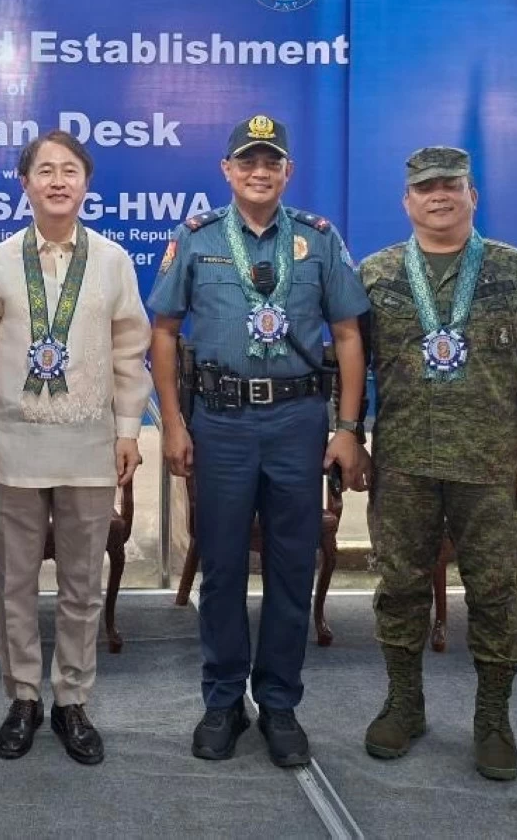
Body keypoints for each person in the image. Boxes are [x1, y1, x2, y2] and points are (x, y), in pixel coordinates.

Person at [147, 113, 370, 767]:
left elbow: (350, 336)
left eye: (271, 161)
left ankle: (279, 703)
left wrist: (349, 428)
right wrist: (172, 422)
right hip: (220, 423)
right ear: (227, 171)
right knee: (219, 568)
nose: (259, 171)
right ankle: (222, 702)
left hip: (298, 425)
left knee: (291, 568)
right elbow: (163, 332)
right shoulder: (195, 239)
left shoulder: (319, 241)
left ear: (287, 172)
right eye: (247, 161)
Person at [357, 146, 517, 781]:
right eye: (425, 188)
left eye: (451, 185)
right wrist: (344, 435)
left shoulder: (515, 270)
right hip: (403, 467)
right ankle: (404, 704)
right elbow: (343, 364)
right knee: (399, 589)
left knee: (497, 595)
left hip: (490, 469)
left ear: (472, 195)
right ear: (407, 202)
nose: (439, 196)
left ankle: (494, 719)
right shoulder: (377, 274)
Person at [0, 130, 151, 766]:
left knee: (81, 584)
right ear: (25, 183)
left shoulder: (114, 262)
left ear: (86, 184)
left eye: (70, 170)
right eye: (45, 170)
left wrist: (128, 431)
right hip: (13, 448)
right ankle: (22, 698)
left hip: (91, 449)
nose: (58, 181)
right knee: (14, 581)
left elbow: (130, 353)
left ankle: (72, 698)